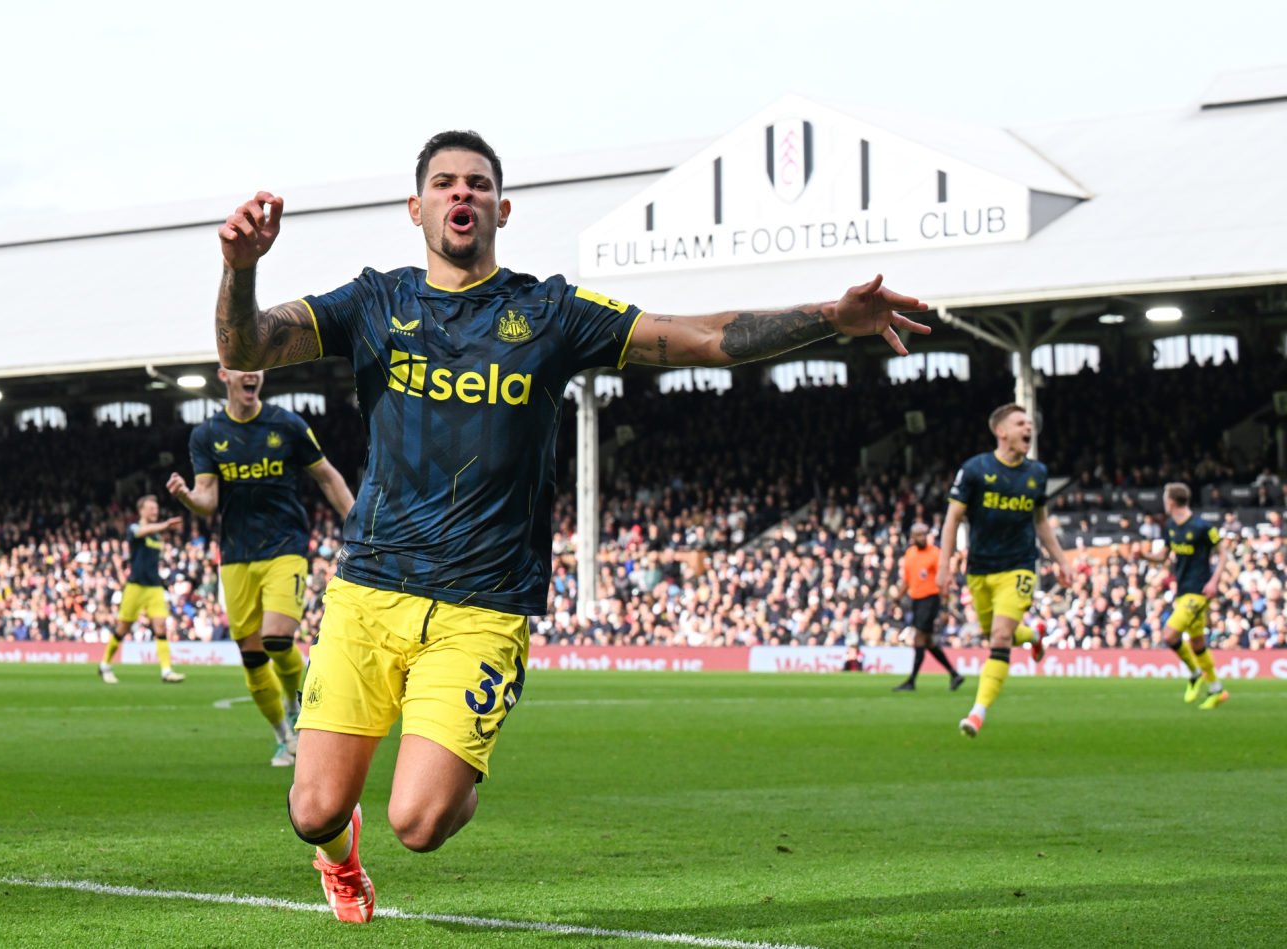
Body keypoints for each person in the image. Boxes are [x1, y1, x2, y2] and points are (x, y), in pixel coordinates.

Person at [212, 129, 930, 923]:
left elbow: (702, 337)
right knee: (311, 810)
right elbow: (245, 344)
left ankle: (453, 774)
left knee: (418, 823)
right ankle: (339, 856)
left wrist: (831, 316)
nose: (462, 194)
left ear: (502, 208)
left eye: (478, 184)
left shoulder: (548, 311)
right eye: (445, 183)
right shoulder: (375, 302)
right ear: (415, 207)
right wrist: (241, 269)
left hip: (481, 608)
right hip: (368, 592)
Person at [167, 367, 356, 766]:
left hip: (285, 545)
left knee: (276, 638)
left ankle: (294, 702)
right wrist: (185, 496)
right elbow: (208, 500)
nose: (252, 375)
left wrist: (357, 523)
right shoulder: (206, 435)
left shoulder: (286, 425)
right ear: (225, 375)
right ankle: (282, 734)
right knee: (251, 656)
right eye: (243, 368)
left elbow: (326, 476)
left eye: (257, 368)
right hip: (236, 554)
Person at [939, 404, 1071, 738]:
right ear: (1002, 432)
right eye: (1021, 423)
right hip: (980, 570)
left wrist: (1062, 561)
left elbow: (1040, 521)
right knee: (998, 635)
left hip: (1019, 567)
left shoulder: (1037, 473)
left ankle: (977, 714)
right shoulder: (975, 469)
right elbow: (953, 518)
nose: (1029, 428)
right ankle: (1034, 635)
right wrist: (944, 566)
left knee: (999, 639)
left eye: (1030, 423)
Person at [1128, 483, 1231, 709]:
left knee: (1170, 634)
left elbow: (1223, 552)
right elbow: (1163, 557)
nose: (1164, 504)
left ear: (1171, 502)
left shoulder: (1202, 526)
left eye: (1165, 500)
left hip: (1200, 592)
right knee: (1197, 644)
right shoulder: (1171, 526)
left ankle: (1195, 674)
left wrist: (1214, 581)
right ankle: (1216, 689)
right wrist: (1144, 556)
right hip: (1182, 592)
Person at [99, 495, 186, 684]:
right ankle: (104, 663)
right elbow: (139, 533)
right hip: (136, 586)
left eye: (156, 507)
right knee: (123, 628)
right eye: (151, 508)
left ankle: (166, 670)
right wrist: (164, 525)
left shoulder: (156, 535)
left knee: (161, 627)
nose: (155, 510)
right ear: (142, 511)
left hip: (154, 587)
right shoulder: (134, 528)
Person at [892, 522, 964, 692]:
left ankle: (911, 681)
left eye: (924, 534)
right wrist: (896, 599)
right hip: (916, 600)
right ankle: (954, 674)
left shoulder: (935, 554)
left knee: (919, 638)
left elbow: (944, 580)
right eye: (919, 535)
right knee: (929, 641)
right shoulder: (910, 554)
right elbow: (907, 580)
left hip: (930, 600)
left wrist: (945, 607)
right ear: (912, 537)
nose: (922, 538)